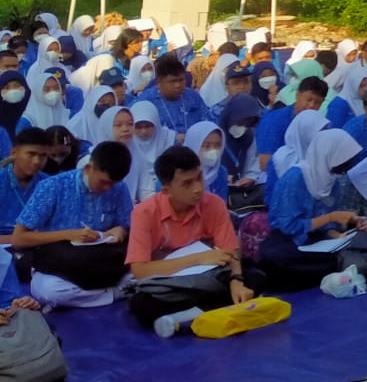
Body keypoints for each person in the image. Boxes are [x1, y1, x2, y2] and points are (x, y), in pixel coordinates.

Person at [125, 147, 264, 331]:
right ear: (167, 190)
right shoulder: (143, 213)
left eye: (199, 178)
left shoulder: (214, 204)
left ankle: (187, 317)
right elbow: (141, 270)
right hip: (171, 282)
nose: (198, 188)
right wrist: (198, 259)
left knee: (255, 277)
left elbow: (230, 252)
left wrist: (236, 281)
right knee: (142, 305)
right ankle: (215, 309)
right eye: (187, 183)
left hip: (209, 276)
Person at [9, 141, 135, 308]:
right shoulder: (53, 186)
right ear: (89, 168)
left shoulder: (119, 188)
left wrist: (121, 230)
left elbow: (128, 227)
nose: (107, 188)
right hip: (60, 266)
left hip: (103, 264)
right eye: (103, 182)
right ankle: (116, 293)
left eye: (112, 183)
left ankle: (102, 294)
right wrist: (70, 234)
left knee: (146, 275)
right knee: (50, 291)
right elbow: (18, 239)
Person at [258, 130, 367, 291]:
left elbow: (327, 227)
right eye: (341, 163)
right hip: (288, 238)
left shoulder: (332, 180)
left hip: (318, 239)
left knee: (346, 250)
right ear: (327, 155)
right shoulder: (295, 178)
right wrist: (331, 217)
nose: (344, 170)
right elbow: (288, 225)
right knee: (275, 256)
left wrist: (338, 235)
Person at [139, 53, 211, 139]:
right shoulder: (146, 101)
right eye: (172, 81)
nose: (178, 85)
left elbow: (207, 121)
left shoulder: (192, 96)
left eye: (181, 80)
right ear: (159, 82)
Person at [1, 128, 51, 233]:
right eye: (31, 154)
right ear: (14, 152)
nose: (37, 161)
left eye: (43, 156)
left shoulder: (49, 183)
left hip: (38, 243)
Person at [125, 101, 174, 204]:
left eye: (148, 126)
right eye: (138, 127)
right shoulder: (128, 145)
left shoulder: (168, 139)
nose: (143, 131)